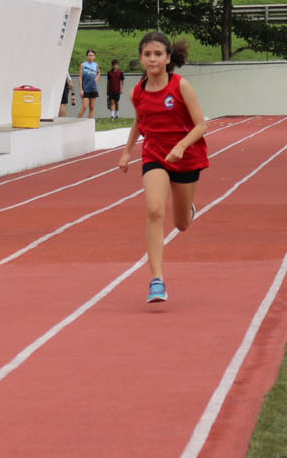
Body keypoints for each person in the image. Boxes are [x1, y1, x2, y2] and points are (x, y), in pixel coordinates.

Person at [117, 30, 209, 304]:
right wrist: (126, 152)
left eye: (158, 54)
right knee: (155, 209)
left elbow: (201, 124)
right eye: (147, 54)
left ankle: (188, 209)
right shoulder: (138, 92)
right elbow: (139, 121)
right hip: (155, 155)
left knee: (181, 224)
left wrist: (181, 146)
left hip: (186, 157)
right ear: (141, 59)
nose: (152, 58)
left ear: (168, 58)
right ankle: (156, 280)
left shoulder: (181, 86)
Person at [77, 48, 99, 119]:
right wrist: (81, 89)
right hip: (85, 88)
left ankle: (90, 123)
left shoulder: (96, 65)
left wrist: (96, 78)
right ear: (87, 56)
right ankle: (77, 122)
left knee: (92, 107)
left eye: (92, 55)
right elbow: (80, 77)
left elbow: (99, 73)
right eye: (89, 55)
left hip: (93, 88)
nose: (91, 57)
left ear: (94, 56)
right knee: (84, 106)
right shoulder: (83, 65)